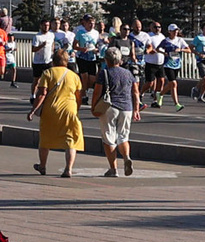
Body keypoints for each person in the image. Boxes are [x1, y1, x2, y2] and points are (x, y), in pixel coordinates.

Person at [31, 45, 85, 177]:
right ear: (66, 61)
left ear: (53, 61)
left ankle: (42, 166)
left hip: (51, 110)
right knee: (70, 140)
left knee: (45, 138)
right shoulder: (74, 76)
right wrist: (76, 109)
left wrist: (33, 110)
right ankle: (68, 169)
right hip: (69, 110)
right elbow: (79, 96)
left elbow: (42, 93)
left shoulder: (47, 73)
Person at [92, 45, 139, 176]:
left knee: (108, 138)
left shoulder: (104, 73)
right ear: (120, 60)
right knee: (123, 136)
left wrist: (93, 106)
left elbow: (97, 92)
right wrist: (136, 110)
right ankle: (126, 157)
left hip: (109, 107)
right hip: (127, 108)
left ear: (106, 60)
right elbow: (135, 92)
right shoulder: (128, 73)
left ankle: (113, 169)